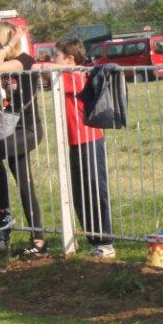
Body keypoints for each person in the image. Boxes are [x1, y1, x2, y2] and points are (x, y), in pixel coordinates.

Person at [39, 39, 116, 257]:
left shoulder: (73, 77)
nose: (53, 60)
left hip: (89, 140)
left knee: (94, 192)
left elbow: (39, 68)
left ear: (70, 60)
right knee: (80, 194)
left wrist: (47, 67)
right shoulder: (67, 75)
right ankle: (94, 241)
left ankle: (105, 242)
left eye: (57, 56)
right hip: (74, 142)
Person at [0, 23, 46, 256]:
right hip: (12, 129)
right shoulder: (10, 63)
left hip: (28, 130)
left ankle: (4, 212)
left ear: (4, 39)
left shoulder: (23, 61)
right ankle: (39, 242)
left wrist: (8, 45)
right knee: (25, 185)